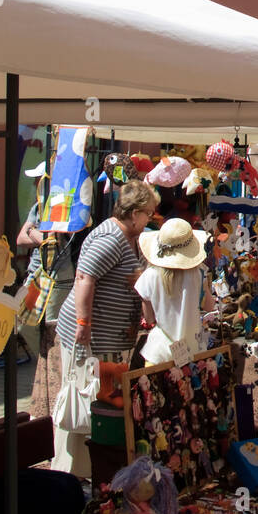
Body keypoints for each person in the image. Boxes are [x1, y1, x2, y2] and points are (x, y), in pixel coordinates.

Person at [53, 181, 160, 474]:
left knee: (97, 402)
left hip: (107, 339)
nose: (151, 218)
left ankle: (88, 469)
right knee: (82, 397)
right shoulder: (111, 237)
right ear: (135, 212)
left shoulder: (130, 237)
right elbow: (85, 277)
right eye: (149, 213)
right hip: (92, 337)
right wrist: (83, 323)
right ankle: (69, 471)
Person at [18, 198, 78, 420]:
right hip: (36, 274)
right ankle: (44, 372)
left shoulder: (71, 203)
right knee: (23, 323)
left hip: (60, 277)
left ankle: (51, 388)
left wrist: (37, 233)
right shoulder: (40, 205)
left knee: (53, 334)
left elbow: (58, 239)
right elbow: (21, 237)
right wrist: (39, 235)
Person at [134, 217, 214, 364]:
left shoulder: (150, 275)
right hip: (193, 352)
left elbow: (150, 318)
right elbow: (209, 307)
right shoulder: (198, 274)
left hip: (159, 352)